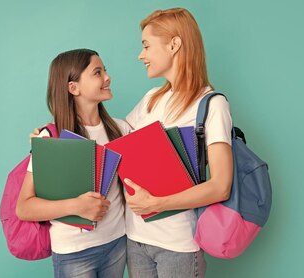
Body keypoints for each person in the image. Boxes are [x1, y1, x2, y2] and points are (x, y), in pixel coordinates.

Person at [30, 8, 234, 278]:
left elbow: (220, 187)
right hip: (135, 242)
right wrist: (48, 139)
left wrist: (157, 204)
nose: (141, 55)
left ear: (174, 45)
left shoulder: (212, 105)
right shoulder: (151, 100)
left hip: (177, 243)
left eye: (147, 45)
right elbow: (109, 144)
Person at [16, 48, 132, 278]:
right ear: (73, 88)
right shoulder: (51, 138)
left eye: (105, 70)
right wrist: (77, 206)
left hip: (117, 243)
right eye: (97, 72)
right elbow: (24, 207)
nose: (107, 77)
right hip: (74, 253)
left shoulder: (122, 129)